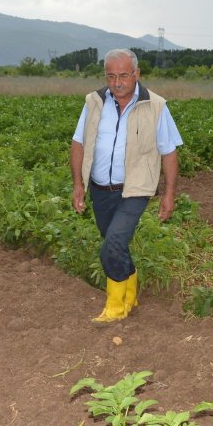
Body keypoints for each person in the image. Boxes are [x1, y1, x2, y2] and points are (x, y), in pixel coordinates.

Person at [70, 49, 182, 322]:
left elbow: (169, 151)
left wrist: (169, 194)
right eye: (111, 76)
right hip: (100, 189)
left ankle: (116, 307)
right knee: (115, 243)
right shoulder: (94, 102)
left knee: (112, 244)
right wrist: (78, 184)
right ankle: (130, 293)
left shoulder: (155, 106)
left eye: (123, 76)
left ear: (136, 74)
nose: (117, 82)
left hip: (135, 189)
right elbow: (78, 143)